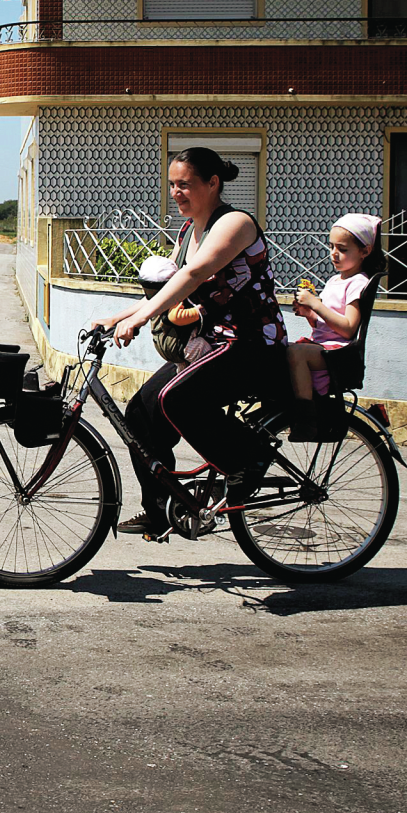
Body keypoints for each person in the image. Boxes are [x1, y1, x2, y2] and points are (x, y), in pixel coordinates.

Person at [98, 147, 289, 539]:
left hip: (249, 345)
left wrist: (141, 317)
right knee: (140, 413)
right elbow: (171, 286)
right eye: (172, 184)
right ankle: (163, 507)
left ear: (213, 183)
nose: (176, 192)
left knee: (176, 399)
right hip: (207, 344)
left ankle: (245, 462)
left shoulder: (236, 223)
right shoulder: (189, 231)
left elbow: (198, 271)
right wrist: (119, 316)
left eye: (184, 184)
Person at [285, 212, 383, 438]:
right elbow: (325, 325)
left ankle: (306, 419)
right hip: (324, 347)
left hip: (338, 353)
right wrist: (309, 313)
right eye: (331, 246)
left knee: (295, 353)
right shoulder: (334, 280)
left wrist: (316, 305)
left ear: (364, 251)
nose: (334, 254)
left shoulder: (358, 282)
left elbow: (348, 328)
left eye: (343, 249)